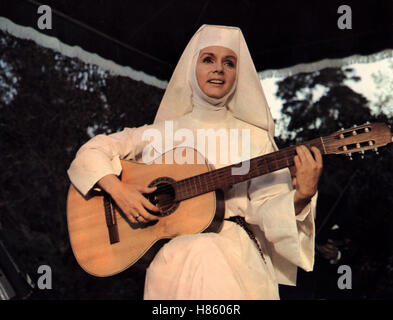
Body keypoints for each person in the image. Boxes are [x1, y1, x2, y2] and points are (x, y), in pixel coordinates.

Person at [67, 25, 323, 299]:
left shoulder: (255, 139)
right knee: (195, 252)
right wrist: (119, 191)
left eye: (229, 62)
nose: (218, 69)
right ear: (192, 67)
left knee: (207, 253)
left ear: (238, 74)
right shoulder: (160, 134)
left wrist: (301, 196)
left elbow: (265, 210)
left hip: (236, 262)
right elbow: (91, 152)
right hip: (174, 266)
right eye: (208, 59)